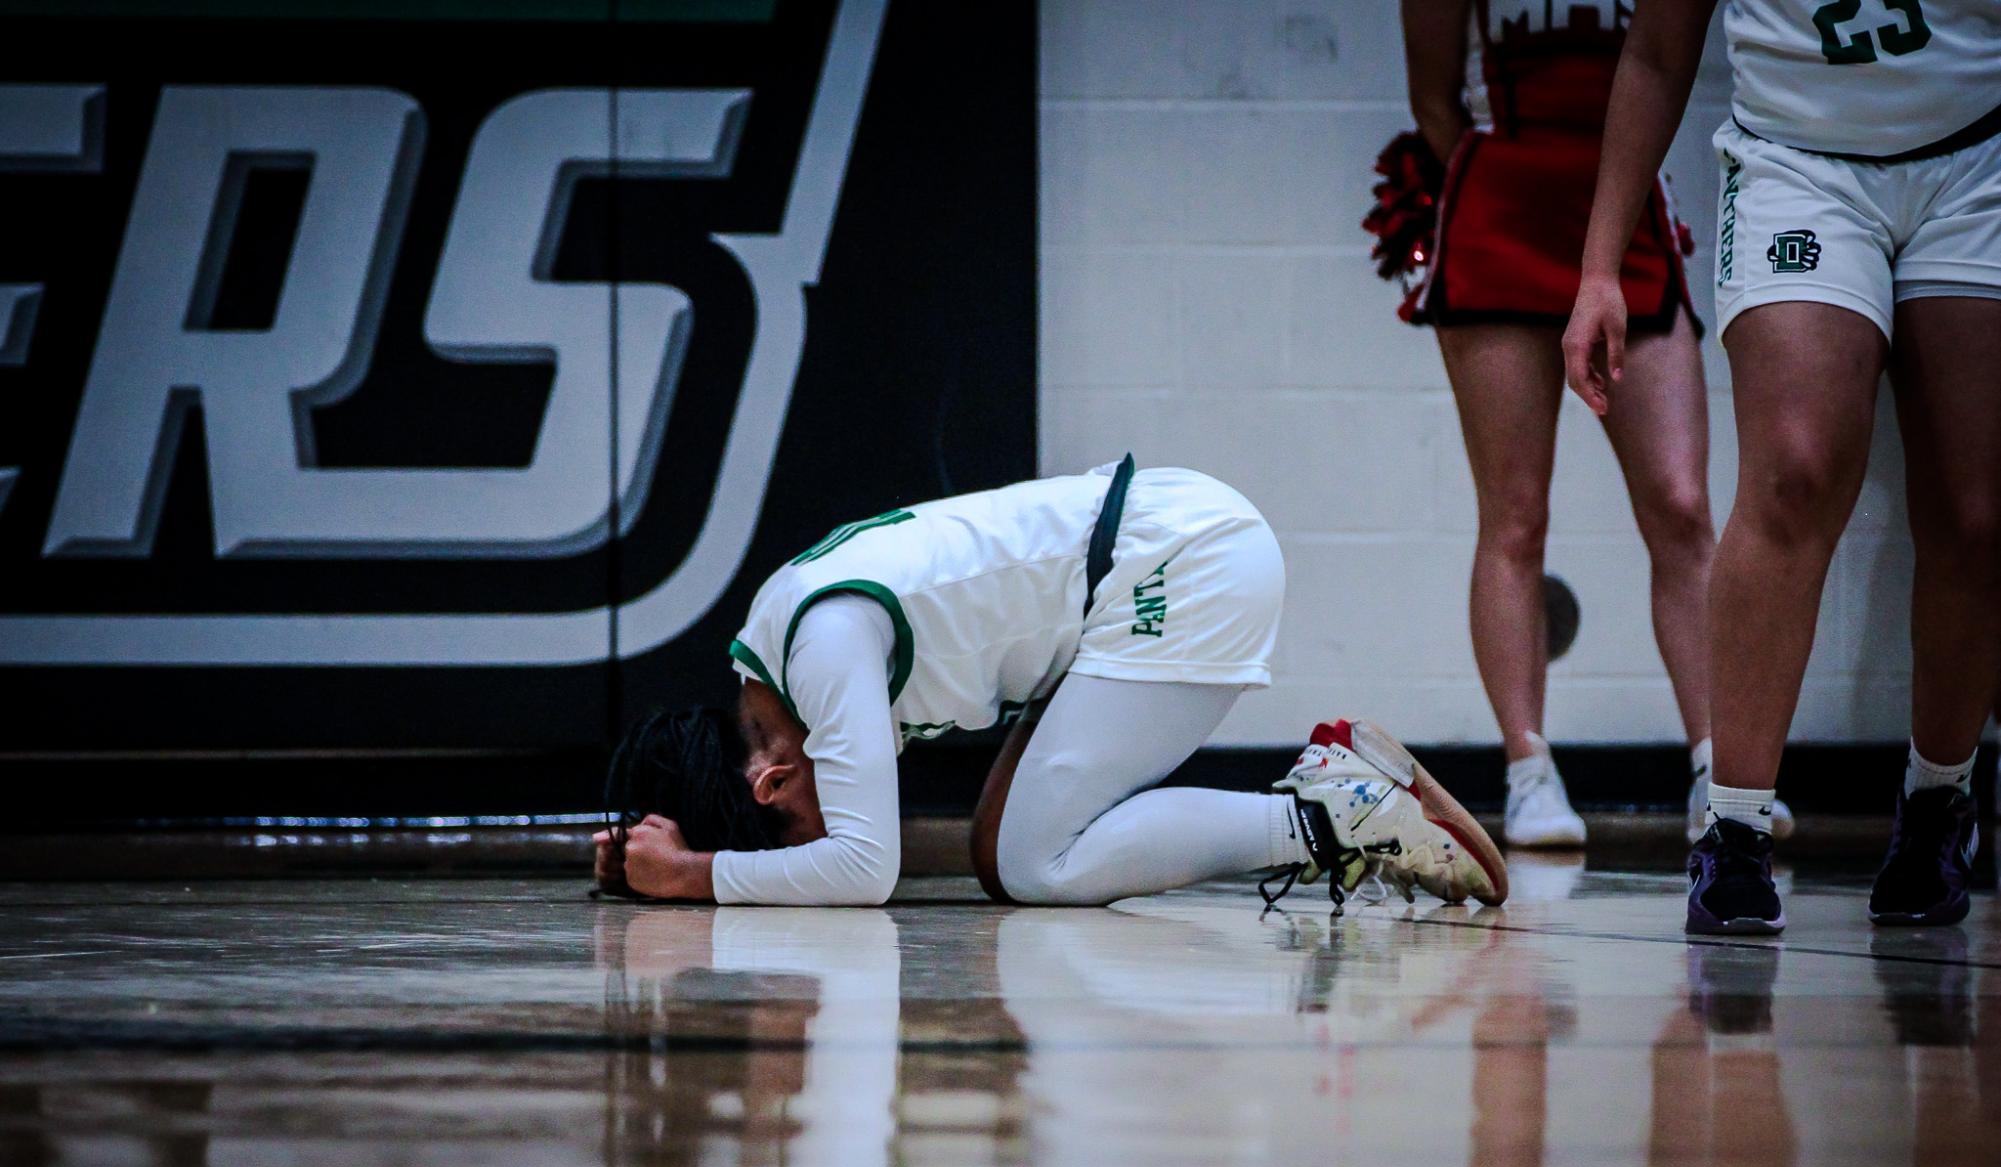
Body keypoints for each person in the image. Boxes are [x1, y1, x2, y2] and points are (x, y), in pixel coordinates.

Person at [593, 459, 1507, 911]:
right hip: (1150, 562)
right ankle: (1334, 804)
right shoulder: (775, 647)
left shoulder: (820, 650)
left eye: (790, 831)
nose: (810, 839)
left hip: (1177, 565)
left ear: (774, 781)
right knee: (1001, 858)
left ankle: (1331, 813)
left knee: (1039, 864)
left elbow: (865, 872)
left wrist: (692, 875)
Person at [1563, 1, 2001, 932]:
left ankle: (1936, 805)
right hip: (1795, 165)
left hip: (1979, 157)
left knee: (1976, 511)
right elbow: (1653, 52)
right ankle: (1732, 833)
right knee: (1792, 473)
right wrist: (1599, 267)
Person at [1400, 0, 1791, 848]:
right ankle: (1527, 771)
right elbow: (1431, 99)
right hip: (1499, 214)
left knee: (1682, 506)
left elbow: (1665, 63)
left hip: (1624, 217)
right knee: (1514, 512)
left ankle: (1718, 770)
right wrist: (1493, 191)